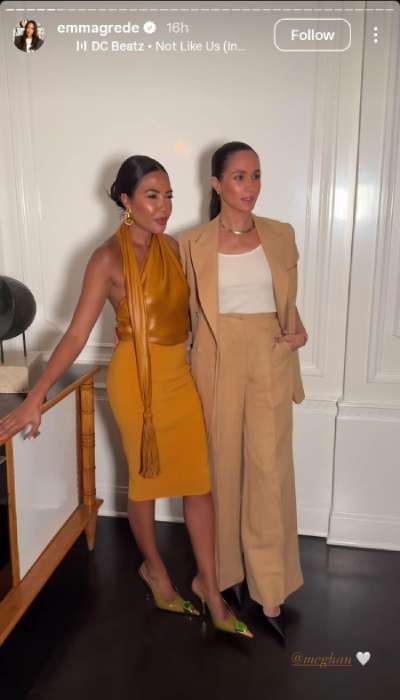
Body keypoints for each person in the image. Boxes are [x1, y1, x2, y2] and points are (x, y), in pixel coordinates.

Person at [0, 155, 252, 639]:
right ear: (126, 200)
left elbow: (193, 315)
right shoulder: (106, 259)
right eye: (152, 196)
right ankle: (154, 569)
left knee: (199, 483)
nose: (164, 206)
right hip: (136, 383)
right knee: (146, 483)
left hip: (178, 377)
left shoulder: (173, 248)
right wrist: (36, 397)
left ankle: (209, 585)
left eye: (169, 195)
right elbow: (76, 334)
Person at [179, 141, 308, 642]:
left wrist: (298, 331)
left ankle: (270, 587)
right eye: (239, 176)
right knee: (219, 470)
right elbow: (183, 315)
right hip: (214, 360)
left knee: (269, 472)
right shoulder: (192, 243)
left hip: (269, 355)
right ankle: (222, 575)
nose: (250, 186)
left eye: (256, 175)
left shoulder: (281, 234)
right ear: (216, 184)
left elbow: (286, 301)